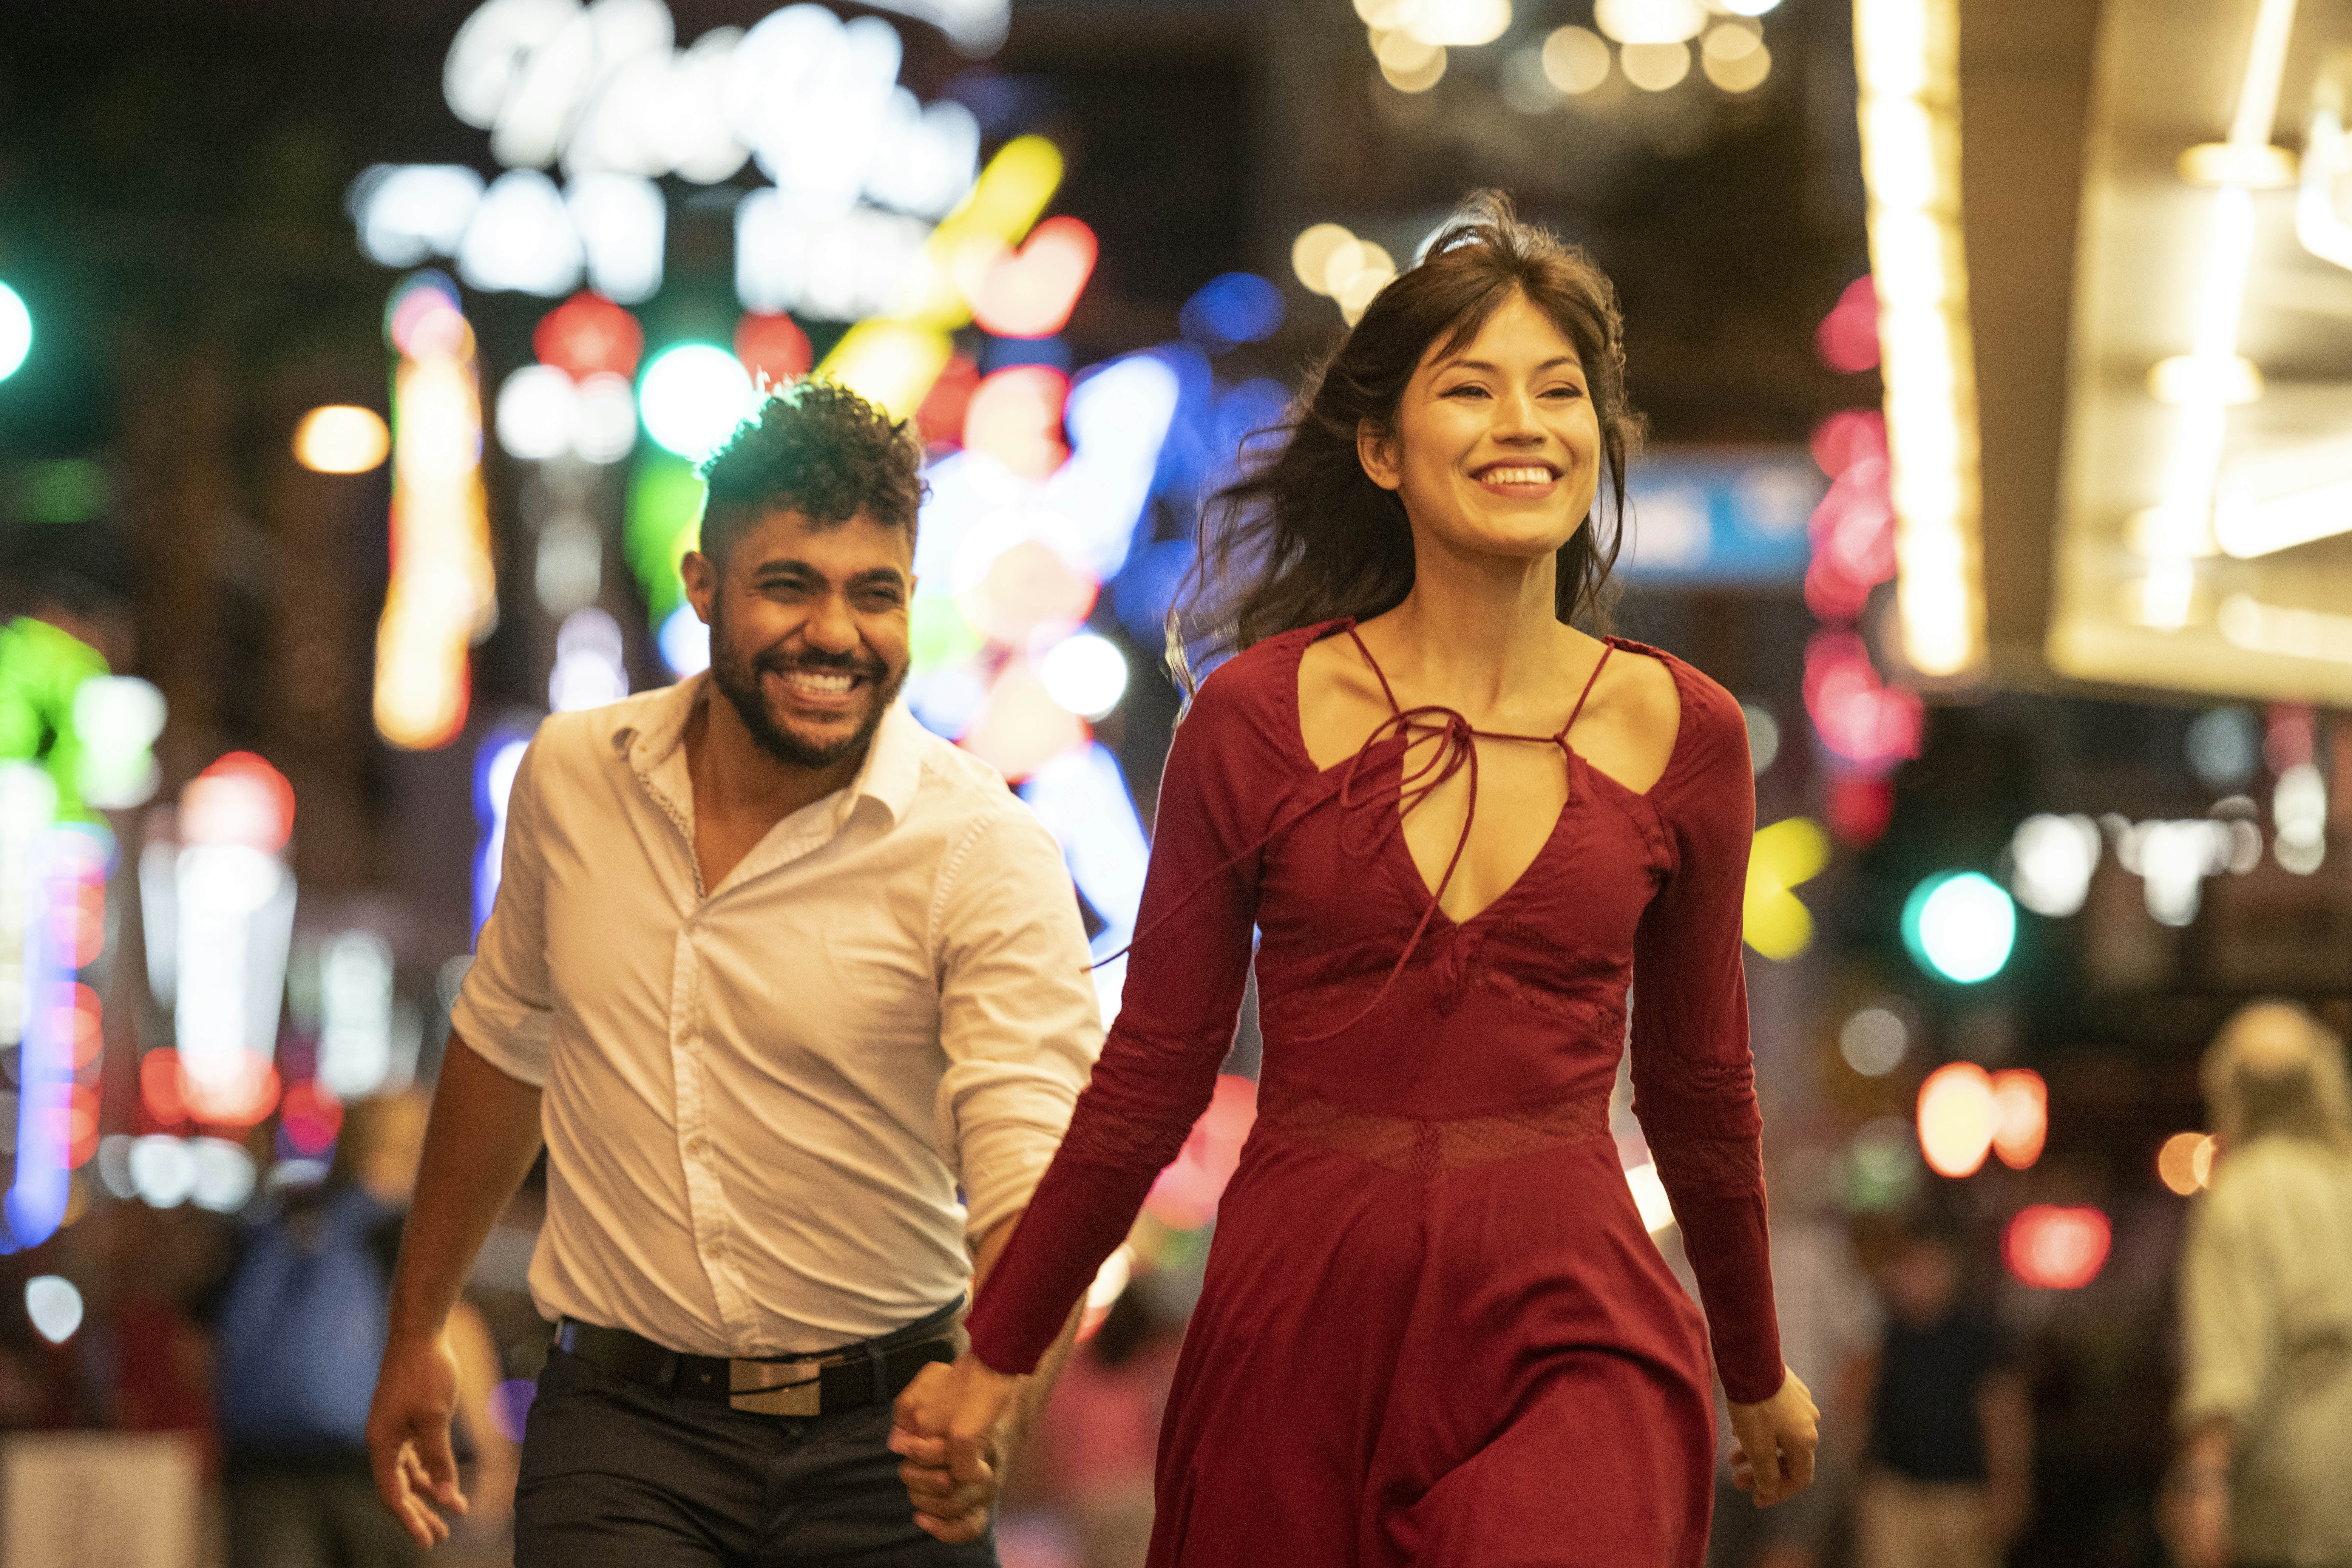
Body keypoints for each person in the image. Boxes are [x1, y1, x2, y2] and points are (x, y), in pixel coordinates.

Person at [893, 194, 1818, 1565]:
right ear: (1381, 447)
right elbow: (1150, 1076)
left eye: (1559, 391)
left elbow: (1698, 1086)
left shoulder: (1686, 734)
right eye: (1472, 389)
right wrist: (998, 1353)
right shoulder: (1252, 719)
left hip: (1577, 1326)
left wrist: (1753, 1363)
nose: (1523, 424)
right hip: (1298, 1320)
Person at [364, 381, 1103, 1566]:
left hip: (888, 1444)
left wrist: (999, 1395)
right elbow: (505, 1046)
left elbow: (1038, 1174)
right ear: (703, 584)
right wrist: (418, 1327)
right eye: (789, 585)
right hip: (620, 1437)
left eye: (876, 594)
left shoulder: (985, 849)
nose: (836, 633)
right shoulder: (573, 777)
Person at [215, 1091, 515, 1568]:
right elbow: (457, 1329)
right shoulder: (405, 1230)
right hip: (372, 1466)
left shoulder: (288, 1217)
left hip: (260, 1464)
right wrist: (495, 1456)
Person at [2167, 999, 2352, 1568]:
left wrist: (2203, 1481)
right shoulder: (2345, 1180)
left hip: (2286, 1503)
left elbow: (2228, 1364)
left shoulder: (2241, 1192)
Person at [1849, 1219, 2031, 1568]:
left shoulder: (1978, 1337)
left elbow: (2004, 1415)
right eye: (1911, 1265)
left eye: (1931, 1265)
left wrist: (2009, 1485)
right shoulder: (1881, 1333)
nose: (1919, 1277)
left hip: (1963, 1497)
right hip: (1895, 1493)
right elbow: (1859, 1404)